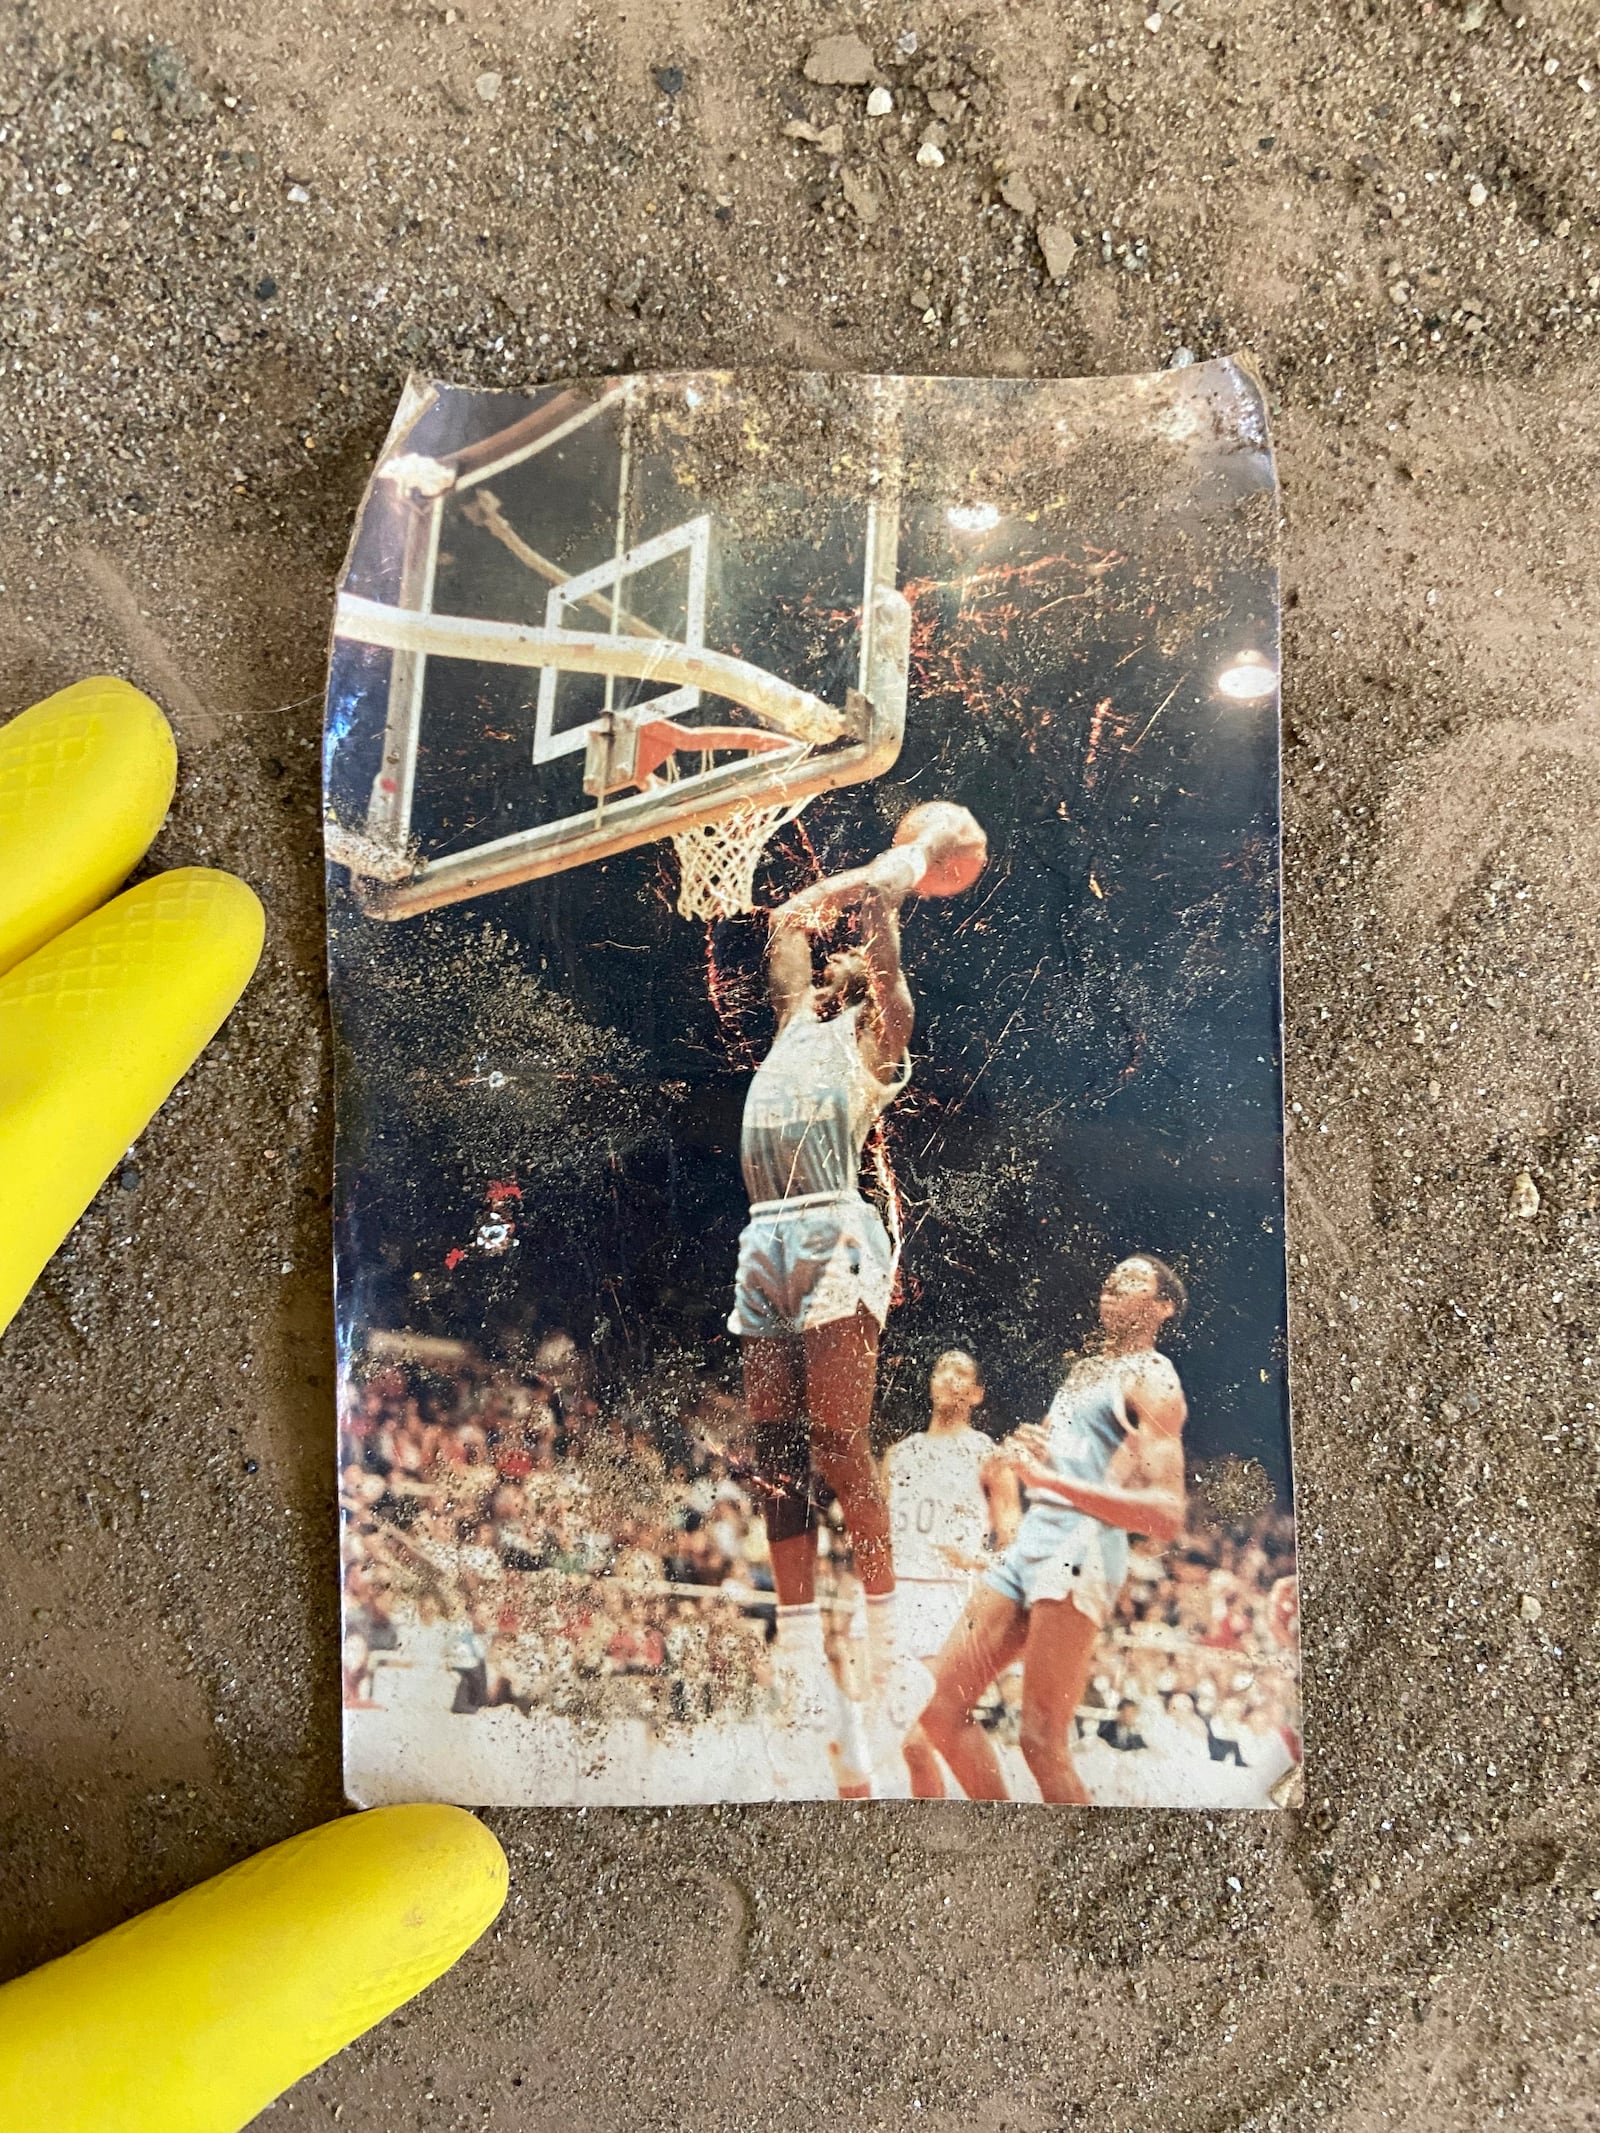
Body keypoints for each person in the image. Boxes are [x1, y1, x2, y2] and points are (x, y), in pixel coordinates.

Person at [729, 816, 979, 1794]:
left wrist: (893, 880)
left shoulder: (881, 1037)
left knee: (837, 1440)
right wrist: (813, 900)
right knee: (775, 1451)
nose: (833, 968)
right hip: (767, 1235)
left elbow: (882, 951)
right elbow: (787, 929)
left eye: (848, 966)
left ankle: (880, 1630)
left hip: (836, 1227)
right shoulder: (798, 1023)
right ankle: (796, 1644)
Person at [918, 1254, 1189, 1805]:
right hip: (1036, 1538)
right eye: (1113, 1273)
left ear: (1163, 1308)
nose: (1115, 1280)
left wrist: (1051, 1481)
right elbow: (1048, 1463)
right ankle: (998, 1834)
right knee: (939, 1709)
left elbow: (1166, 1512)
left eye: (1136, 1280)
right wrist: (1020, 1457)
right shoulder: (1085, 1370)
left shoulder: (1155, 1377)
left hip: (1083, 1546)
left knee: (1041, 1742)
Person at [883, 1349, 1019, 1797]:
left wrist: (978, 1561)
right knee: (909, 1746)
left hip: (950, 1600)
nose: (950, 1378)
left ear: (977, 1393)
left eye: (962, 1373)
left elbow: (1013, 1541)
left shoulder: (988, 1455)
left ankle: (997, 1815)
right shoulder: (899, 1455)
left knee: (926, 1734)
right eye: (942, 1368)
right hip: (897, 1601)